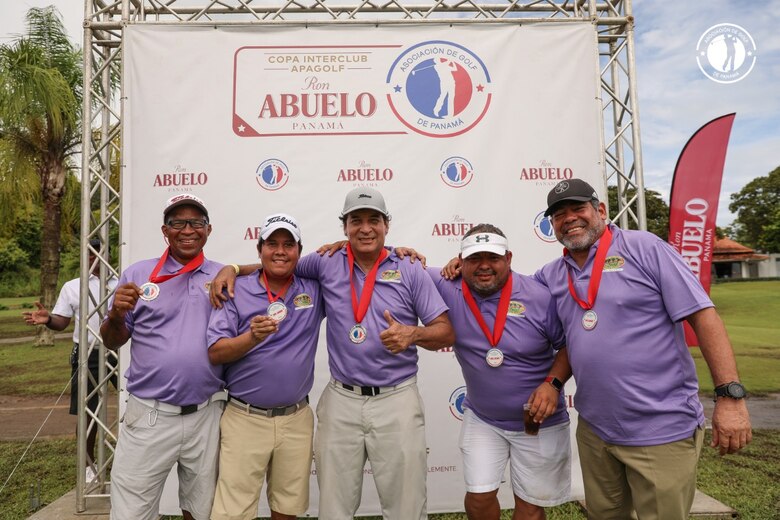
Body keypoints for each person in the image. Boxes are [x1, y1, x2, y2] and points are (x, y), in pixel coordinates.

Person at [211, 187, 455, 520]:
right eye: (356, 221)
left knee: (406, 505)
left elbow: (445, 331)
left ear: (387, 225)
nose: (365, 228)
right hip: (342, 400)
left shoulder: (410, 267)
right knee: (334, 506)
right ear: (345, 227)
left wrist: (413, 333)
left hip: (396, 398)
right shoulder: (325, 262)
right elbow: (280, 264)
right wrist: (233, 268)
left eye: (374, 220)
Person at [534, 179, 752, 519]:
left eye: (578, 208)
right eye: (559, 214)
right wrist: (456, 269)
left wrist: (730, 396)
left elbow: (703, 317)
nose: (570, 218)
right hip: (596, 429)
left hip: (661, 428)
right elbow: (511, 295)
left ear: (600, 210)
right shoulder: (551, 275)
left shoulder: (645, 248)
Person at [429, 224, 571, 520]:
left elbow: (568, 345)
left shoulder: (539, 296)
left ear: (508, 258)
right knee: (479, 498)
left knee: (530, 507)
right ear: (460, 261)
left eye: (492, 258)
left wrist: (552, 384)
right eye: (474, 258)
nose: (484, 266)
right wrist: (346, 245)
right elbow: (401, 268)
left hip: (538, 420)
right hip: (484, 419)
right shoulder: (447, 286)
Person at [100, 194, 227, 520]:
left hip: (206, 413)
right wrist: (115, 314)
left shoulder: (222, 276)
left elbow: (270, 268)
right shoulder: (138, 274)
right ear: (165, 230)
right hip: (151, 414)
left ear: (208, 229)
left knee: (202, 510)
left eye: (196, 222)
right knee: (131, 513)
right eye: (178, 223)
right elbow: (112, 341)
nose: (188, 230)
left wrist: (236, 268)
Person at [207, 213, 324, 520]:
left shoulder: (313, 288)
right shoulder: (234, 290)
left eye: (288, 244)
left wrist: (233, 266)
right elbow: (216, 352)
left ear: (299, 252)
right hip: (245, 418)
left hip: (296, 418)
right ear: (259, 249)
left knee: (288, 507)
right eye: (272, 244)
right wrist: (252, 337)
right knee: (232, 512)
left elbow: (351, 260)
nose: (280, 251)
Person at [22, 238, 118, 482]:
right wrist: (48, 320)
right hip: (88, 354)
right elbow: (62, 321)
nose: (94, 258)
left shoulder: (121, 282)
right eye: (89, 254)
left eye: (98, 252)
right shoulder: (73, 286)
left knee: (135, 402)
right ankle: (88, 465)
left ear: (108, 254)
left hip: (122, 352)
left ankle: (129, 460)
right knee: (88, 411)